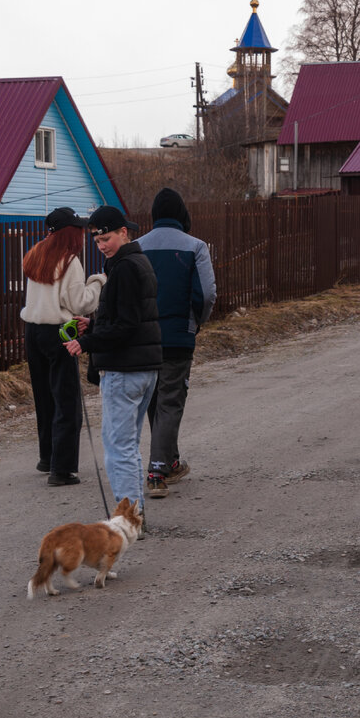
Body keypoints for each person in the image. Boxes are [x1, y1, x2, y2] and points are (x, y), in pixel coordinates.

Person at [63, 205, 161, 520]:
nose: (102, 245)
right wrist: (93, 326)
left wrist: (87, 342)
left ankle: (128, 519)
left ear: (124, 232)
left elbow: (127, 326)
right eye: (97, 240)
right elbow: (128, 319)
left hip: (125, 369)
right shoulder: (135, 262)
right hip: (141, 365)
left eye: (107, 238)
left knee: (118, 451)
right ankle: (134, 514)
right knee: (127, 447)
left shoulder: (125, 267)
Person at [136, 188, 217, 499]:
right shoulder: (195, 247)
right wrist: (198, 321)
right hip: (177, 337)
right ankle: (157, 471)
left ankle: (170, 460)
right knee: (170, 400)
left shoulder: (135, 247)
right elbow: (207, 294)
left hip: (143, 338)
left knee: (155, 399)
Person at [19, 207, 105, 487]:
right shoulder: (70, 261)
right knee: (66, 401)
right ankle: (63, 469)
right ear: (71, 232)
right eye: (79, 229)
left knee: (44, 398)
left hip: (33, 331)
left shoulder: (35, 253)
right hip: (59, 333)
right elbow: (81, 303)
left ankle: (48, 458)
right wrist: (98, 282)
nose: (82, 233)